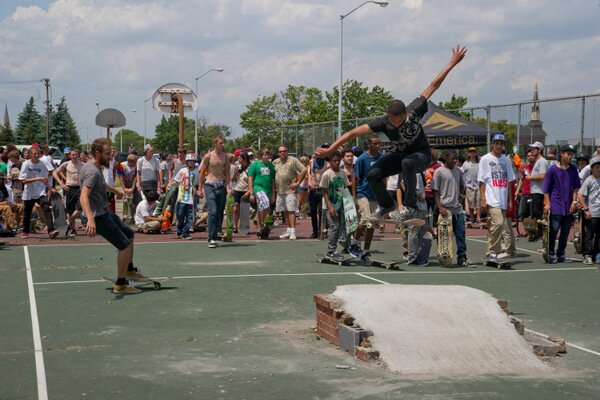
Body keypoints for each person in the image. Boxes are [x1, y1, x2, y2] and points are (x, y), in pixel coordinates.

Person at [314, 45, 467, 222]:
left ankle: (410, 206)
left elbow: (433, 85)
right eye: (392, 121)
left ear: (404, 114)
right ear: (388, 115)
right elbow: (353, 132)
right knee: (372, 173)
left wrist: (452, 63)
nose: (396, 124)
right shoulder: (382, 122)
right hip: (400, 156)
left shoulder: (415, 109)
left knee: (408, 163)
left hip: (421, 155)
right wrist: (330, 149)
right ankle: (386, 205)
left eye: (399, 120)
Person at [80, 138, 144, 295]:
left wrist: (115, 191)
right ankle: (120, 285)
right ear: (97, 153)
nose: (110, 157)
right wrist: (90, 219)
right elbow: (84, 196)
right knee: (124, 245)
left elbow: (101, 185)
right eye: (107, 153)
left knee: (129, 234)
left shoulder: (95, 167)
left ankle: (129, 270)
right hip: (97, 217)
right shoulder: (92, 171)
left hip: (103, 212)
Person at [478, 133, 515, 261]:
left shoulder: (506, 160)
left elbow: (510, 181)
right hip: (492, 197)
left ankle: (492, 251)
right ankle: (493, 250)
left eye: (501, 144)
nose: (499, 146)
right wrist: (483, 199)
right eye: (497, 143)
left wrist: (510, 200)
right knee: (498, 223)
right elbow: (482, 182)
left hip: (503, 197)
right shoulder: (485, 159)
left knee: (497, 226)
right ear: (492, 144)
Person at [432, 149, 470, 267]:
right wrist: (440, 207)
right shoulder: (439, 172)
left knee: (460, 233)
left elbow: (462, 185)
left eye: (456, 159)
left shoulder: (458, 171)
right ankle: (443, 256)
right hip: (445, 209)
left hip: (457, 209)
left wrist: (461, 197)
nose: (455, 161)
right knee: (443, 235)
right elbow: (435, 191)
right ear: (447, 158)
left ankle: (462, 256)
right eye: (453, 159)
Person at [543, 144, 580, 263]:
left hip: (569, 204)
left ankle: (561, 254)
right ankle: (551, 253)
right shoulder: (552, 170)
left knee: (565, 231)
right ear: (561, 154)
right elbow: (546, 190)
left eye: (571, 154)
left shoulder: (573, 169)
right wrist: (548, 204)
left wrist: (574, 202)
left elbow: (575, 187)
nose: (570, 156)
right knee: (554, 229)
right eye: (568, 154)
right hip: (556, 204)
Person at [349, 135, 382, 258]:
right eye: (375, 143)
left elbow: (383, 176)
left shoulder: (381, 158)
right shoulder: (362, 159)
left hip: (375, 195)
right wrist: (354, 196)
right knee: (366, 219)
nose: (378, 146)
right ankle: (354, 243)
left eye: (379, 143)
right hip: (362, 194)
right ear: (369, 144)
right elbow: (355, 178)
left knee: (371, 224)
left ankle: (366, 250)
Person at [19, 146, 58, 239]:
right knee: (27, 213)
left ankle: (51, 231)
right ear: (30, 154)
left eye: (38, 153)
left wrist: (50, 188)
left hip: (40, 192)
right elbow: (23, 180)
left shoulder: (42, 164)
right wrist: (37, 178)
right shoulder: (26, 164)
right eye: (34, 154)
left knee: (46, 208)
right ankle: (25, 231)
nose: (36, 155)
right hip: (29, 193)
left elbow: (45, 179)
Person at [198, 136, 230, 248]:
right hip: (210, 185)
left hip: (221, 186)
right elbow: (201, 173)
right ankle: (211, 238)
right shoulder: (208, 156)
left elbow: (227, 173)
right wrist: (200, 188)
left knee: (220, 212)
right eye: (221, 143)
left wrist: (228, 187)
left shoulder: (225, 157)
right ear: (215, 144)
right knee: (213, 211)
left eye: (223, 143)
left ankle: (216, 233)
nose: (223, 145)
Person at [319, 151, 351, 258]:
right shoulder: (326, 174)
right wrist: (330, 207)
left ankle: (346, 247)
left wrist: (350, 202)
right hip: (330, 205)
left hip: (341, 204)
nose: (337, 163)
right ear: (330, 161)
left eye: (338, 161)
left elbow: (346, 188)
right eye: (334, 161)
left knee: (342, 227)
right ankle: (331, 251)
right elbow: (323, 190)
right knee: (334, 226)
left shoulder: (343, 173)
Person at [273, 145, 306, 240]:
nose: (282, 153)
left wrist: (298, 182)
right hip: (280, 190)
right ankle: (288, 230)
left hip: (290, 190)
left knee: (291, 211)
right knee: (284, 211)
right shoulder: (276, 162)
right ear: (278, 153)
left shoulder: (293, 160)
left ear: (287, 151)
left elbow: (304, 170)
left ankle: (293, 231)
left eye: (284, 151)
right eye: (280, 151)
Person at [53, 148, 84, 236]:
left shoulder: (82, 165)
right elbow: (55, 173)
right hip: (69, 188)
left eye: (76, 154)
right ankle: (73, 229)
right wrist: (61, 183)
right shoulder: (66, 164)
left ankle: (67, 222)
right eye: (73, 155)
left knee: (80, 208)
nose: (74, 156)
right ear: (70, 155)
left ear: (78, 155)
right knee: (70, 210)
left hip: (79, 188)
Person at [247, 148, 275, 239]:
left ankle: (261, 227)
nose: (265, 156)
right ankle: (261, 224)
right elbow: (250, 178)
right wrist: (251, 193)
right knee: (265, 201)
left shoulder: (271, 166)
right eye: (263, 154)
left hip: (268, 189)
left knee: (264, 208)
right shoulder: (255, 164)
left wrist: (273, 194)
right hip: (258, 187)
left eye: (267, 154)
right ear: (260, 156)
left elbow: (273, 180)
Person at [577, 157, 600, 265]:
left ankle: (597, 254)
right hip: (591, 213)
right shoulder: (589, 180)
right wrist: (586, 209)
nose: (599, 169)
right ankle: (588, 255)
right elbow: (580, 195)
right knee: (589, 235)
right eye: (597, 167)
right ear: (592, 169)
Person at [171, 153, 199, 240]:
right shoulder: (182, 171)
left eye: (194, 161)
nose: (192, 163)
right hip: (181, 197)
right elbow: (176, 180)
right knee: (180, 215)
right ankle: (179, 231)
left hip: (190, 198)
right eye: (190, 161)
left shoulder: (196, 172)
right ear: (187, 162)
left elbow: (195, 185)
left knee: (190, 217)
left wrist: (198, 192)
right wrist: (170, 185)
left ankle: (185, 233)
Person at [525, 142, 549, 240]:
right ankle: (538, 232)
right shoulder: (538, 161)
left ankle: (540, 233)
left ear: (539, 150)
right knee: (535, 213)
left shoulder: (542, 161)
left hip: (539, 191)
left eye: (535, 148)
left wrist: (530, 177)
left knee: (538, 213)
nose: (532, 150)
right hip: (535, 191)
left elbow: (543, 176)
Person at [307, 147, 330, 238]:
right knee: (312, 211)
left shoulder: (327, 164)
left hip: (323, 190)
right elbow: (309, 174)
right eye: (316, 154)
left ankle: (322, 230)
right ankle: (314, 231)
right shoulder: (311, 162)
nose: (318, 156)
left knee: (321, 211)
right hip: (313, 189)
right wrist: (309, 182)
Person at [117, 154, 142, 221]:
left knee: (136, 201)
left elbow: (135, 178)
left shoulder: (136, 166)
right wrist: (124, 188)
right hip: (125, 184)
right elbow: (121, 178)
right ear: (130, 162)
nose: (136, 163)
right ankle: (125, 216)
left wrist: (133, 188)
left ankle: (134, 217)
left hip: (134, 185)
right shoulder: (122, 165)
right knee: (126, 200)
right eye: (134, 162)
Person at [231, 152, 251, 233]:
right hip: (237, 190)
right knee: (236, 209)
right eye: (238, 158)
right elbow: (232, 179)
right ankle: (235, 226)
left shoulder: (250, 168)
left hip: (246, 191)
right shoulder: (237, 167)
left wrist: (249, 191)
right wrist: (235, 173)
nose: (238, 160)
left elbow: (251, 181)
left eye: (240, 158)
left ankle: (244, 227)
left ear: (245, 159)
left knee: (244, 210)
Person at [462, 147, 481, 225]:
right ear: (468, 153)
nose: (472, 153)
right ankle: (472, 218)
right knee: (471, 203)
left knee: (478, 204)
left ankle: (478, 219)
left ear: (476, 153)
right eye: (470, 151)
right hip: (469, 186)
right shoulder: (466, 163)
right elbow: (462, 174)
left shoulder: (479, 162)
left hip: (478, 186)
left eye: (473, 151)